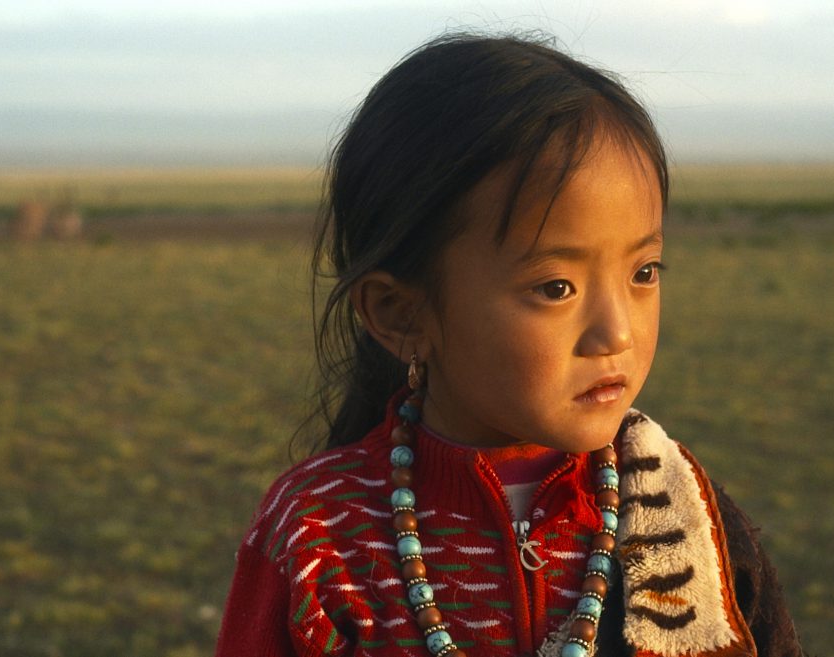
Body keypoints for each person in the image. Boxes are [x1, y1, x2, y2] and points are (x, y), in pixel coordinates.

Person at [215, 33, 803, 657]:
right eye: (556, 287)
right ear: (399, 312)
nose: (617, 333)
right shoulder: (321, 538)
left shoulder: (680, 508)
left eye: (644, 273)